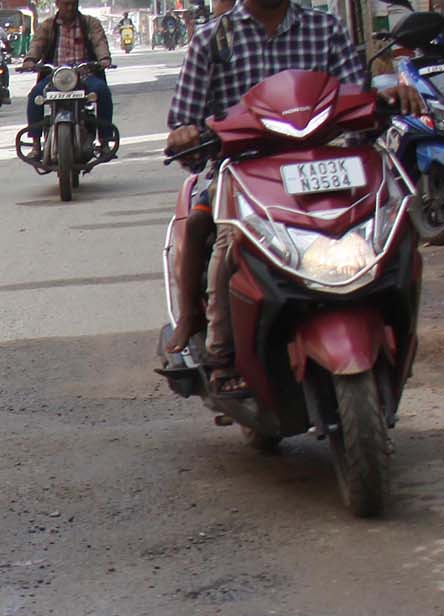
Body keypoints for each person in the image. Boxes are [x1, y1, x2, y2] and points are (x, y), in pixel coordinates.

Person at [163, 0, 422, 388]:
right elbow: (184, 125)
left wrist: (385, 103)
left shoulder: (325, 29)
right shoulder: (212, 39)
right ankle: (219, 349)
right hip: (246, 172)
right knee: (223, 238)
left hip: (326, 166)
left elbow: (357, 102)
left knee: (395, 218)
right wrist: (186, 135)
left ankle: (397, 325)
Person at [21, 0, 114, 153]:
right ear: (58, 4)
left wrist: (104, 58)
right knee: (35, 95)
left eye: (73, 4)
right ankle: (36, 144)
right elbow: (37, 44)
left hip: (84, 75)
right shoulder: (47, 25)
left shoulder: (90, 23)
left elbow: (99, 42)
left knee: (102, 91)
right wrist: (30, 60)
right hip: (55, 77)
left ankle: (105, 141)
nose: (70, 8)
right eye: (66, 4)